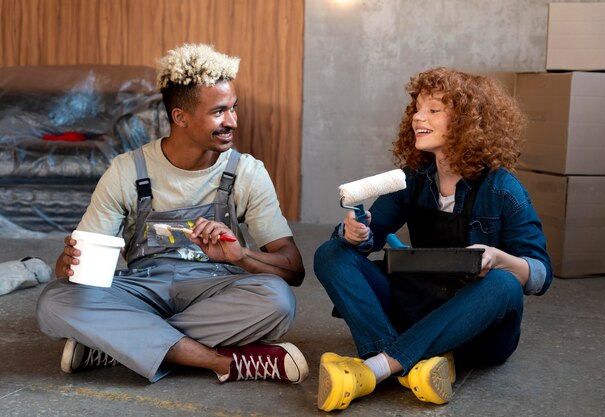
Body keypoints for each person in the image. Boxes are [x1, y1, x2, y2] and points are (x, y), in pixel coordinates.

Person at [36, 43, 309, 385]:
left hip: (217, 288)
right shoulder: (127, 171)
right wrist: (68, 266)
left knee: (277, 299)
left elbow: (293, 270)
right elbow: (80, 266)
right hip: (143, 289)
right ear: (180, 117)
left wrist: (240, 255)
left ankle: (116, 345)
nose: (233, 121)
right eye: (219, 112)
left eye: (234, 108)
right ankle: (222, 361)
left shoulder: (247, 173)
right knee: (55, 300)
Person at [313, 67, 552, 411]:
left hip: (477, 330)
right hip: (418, 309)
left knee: (505, 285)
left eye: (433, 110)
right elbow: (370, 235)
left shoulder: (503, 190)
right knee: (332, 253)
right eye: (417, 110)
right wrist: (357, 233)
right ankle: (408, 362)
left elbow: (541, 274)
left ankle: (374, 368)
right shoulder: (411, 180)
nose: (417, 118)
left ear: (468, 122)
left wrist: (500, 258)